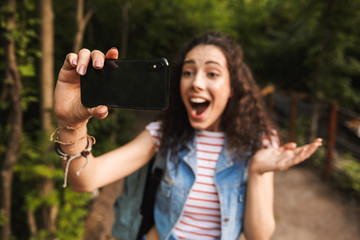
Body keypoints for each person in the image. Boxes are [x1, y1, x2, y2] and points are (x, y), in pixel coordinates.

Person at [53, 31, 322, 240]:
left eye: (212, 73)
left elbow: (258, 235)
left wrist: (257, 171)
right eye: (188, 72)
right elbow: (86, 180)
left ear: (232, 87)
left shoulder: (259, 143)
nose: (196, 82)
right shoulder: (164, 134)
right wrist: (71, 124)